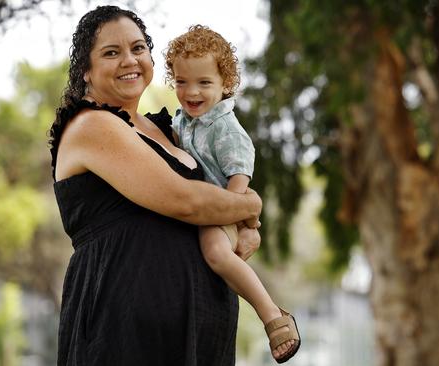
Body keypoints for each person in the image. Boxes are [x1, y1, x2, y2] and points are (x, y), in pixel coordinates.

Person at [48, 6, 264, 366]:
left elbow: (218, 190)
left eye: (138, 48)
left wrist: (244, 228)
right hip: (122, 333)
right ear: (85, 69)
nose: (129, 60)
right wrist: (253, 208)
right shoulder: (92, 125)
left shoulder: (168, 130)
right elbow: (188, 201)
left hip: (196, 332)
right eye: (111, 52)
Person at [164, 25, 301, 363]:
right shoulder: (184, 121)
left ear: (226, 84)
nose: (191, 92)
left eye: (204, 83)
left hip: (221, 208)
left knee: (215, 251)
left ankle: (273, 314)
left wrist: (241, 223)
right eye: (181, 82)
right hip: (203, 208)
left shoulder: (227, 131)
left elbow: (239, 184)